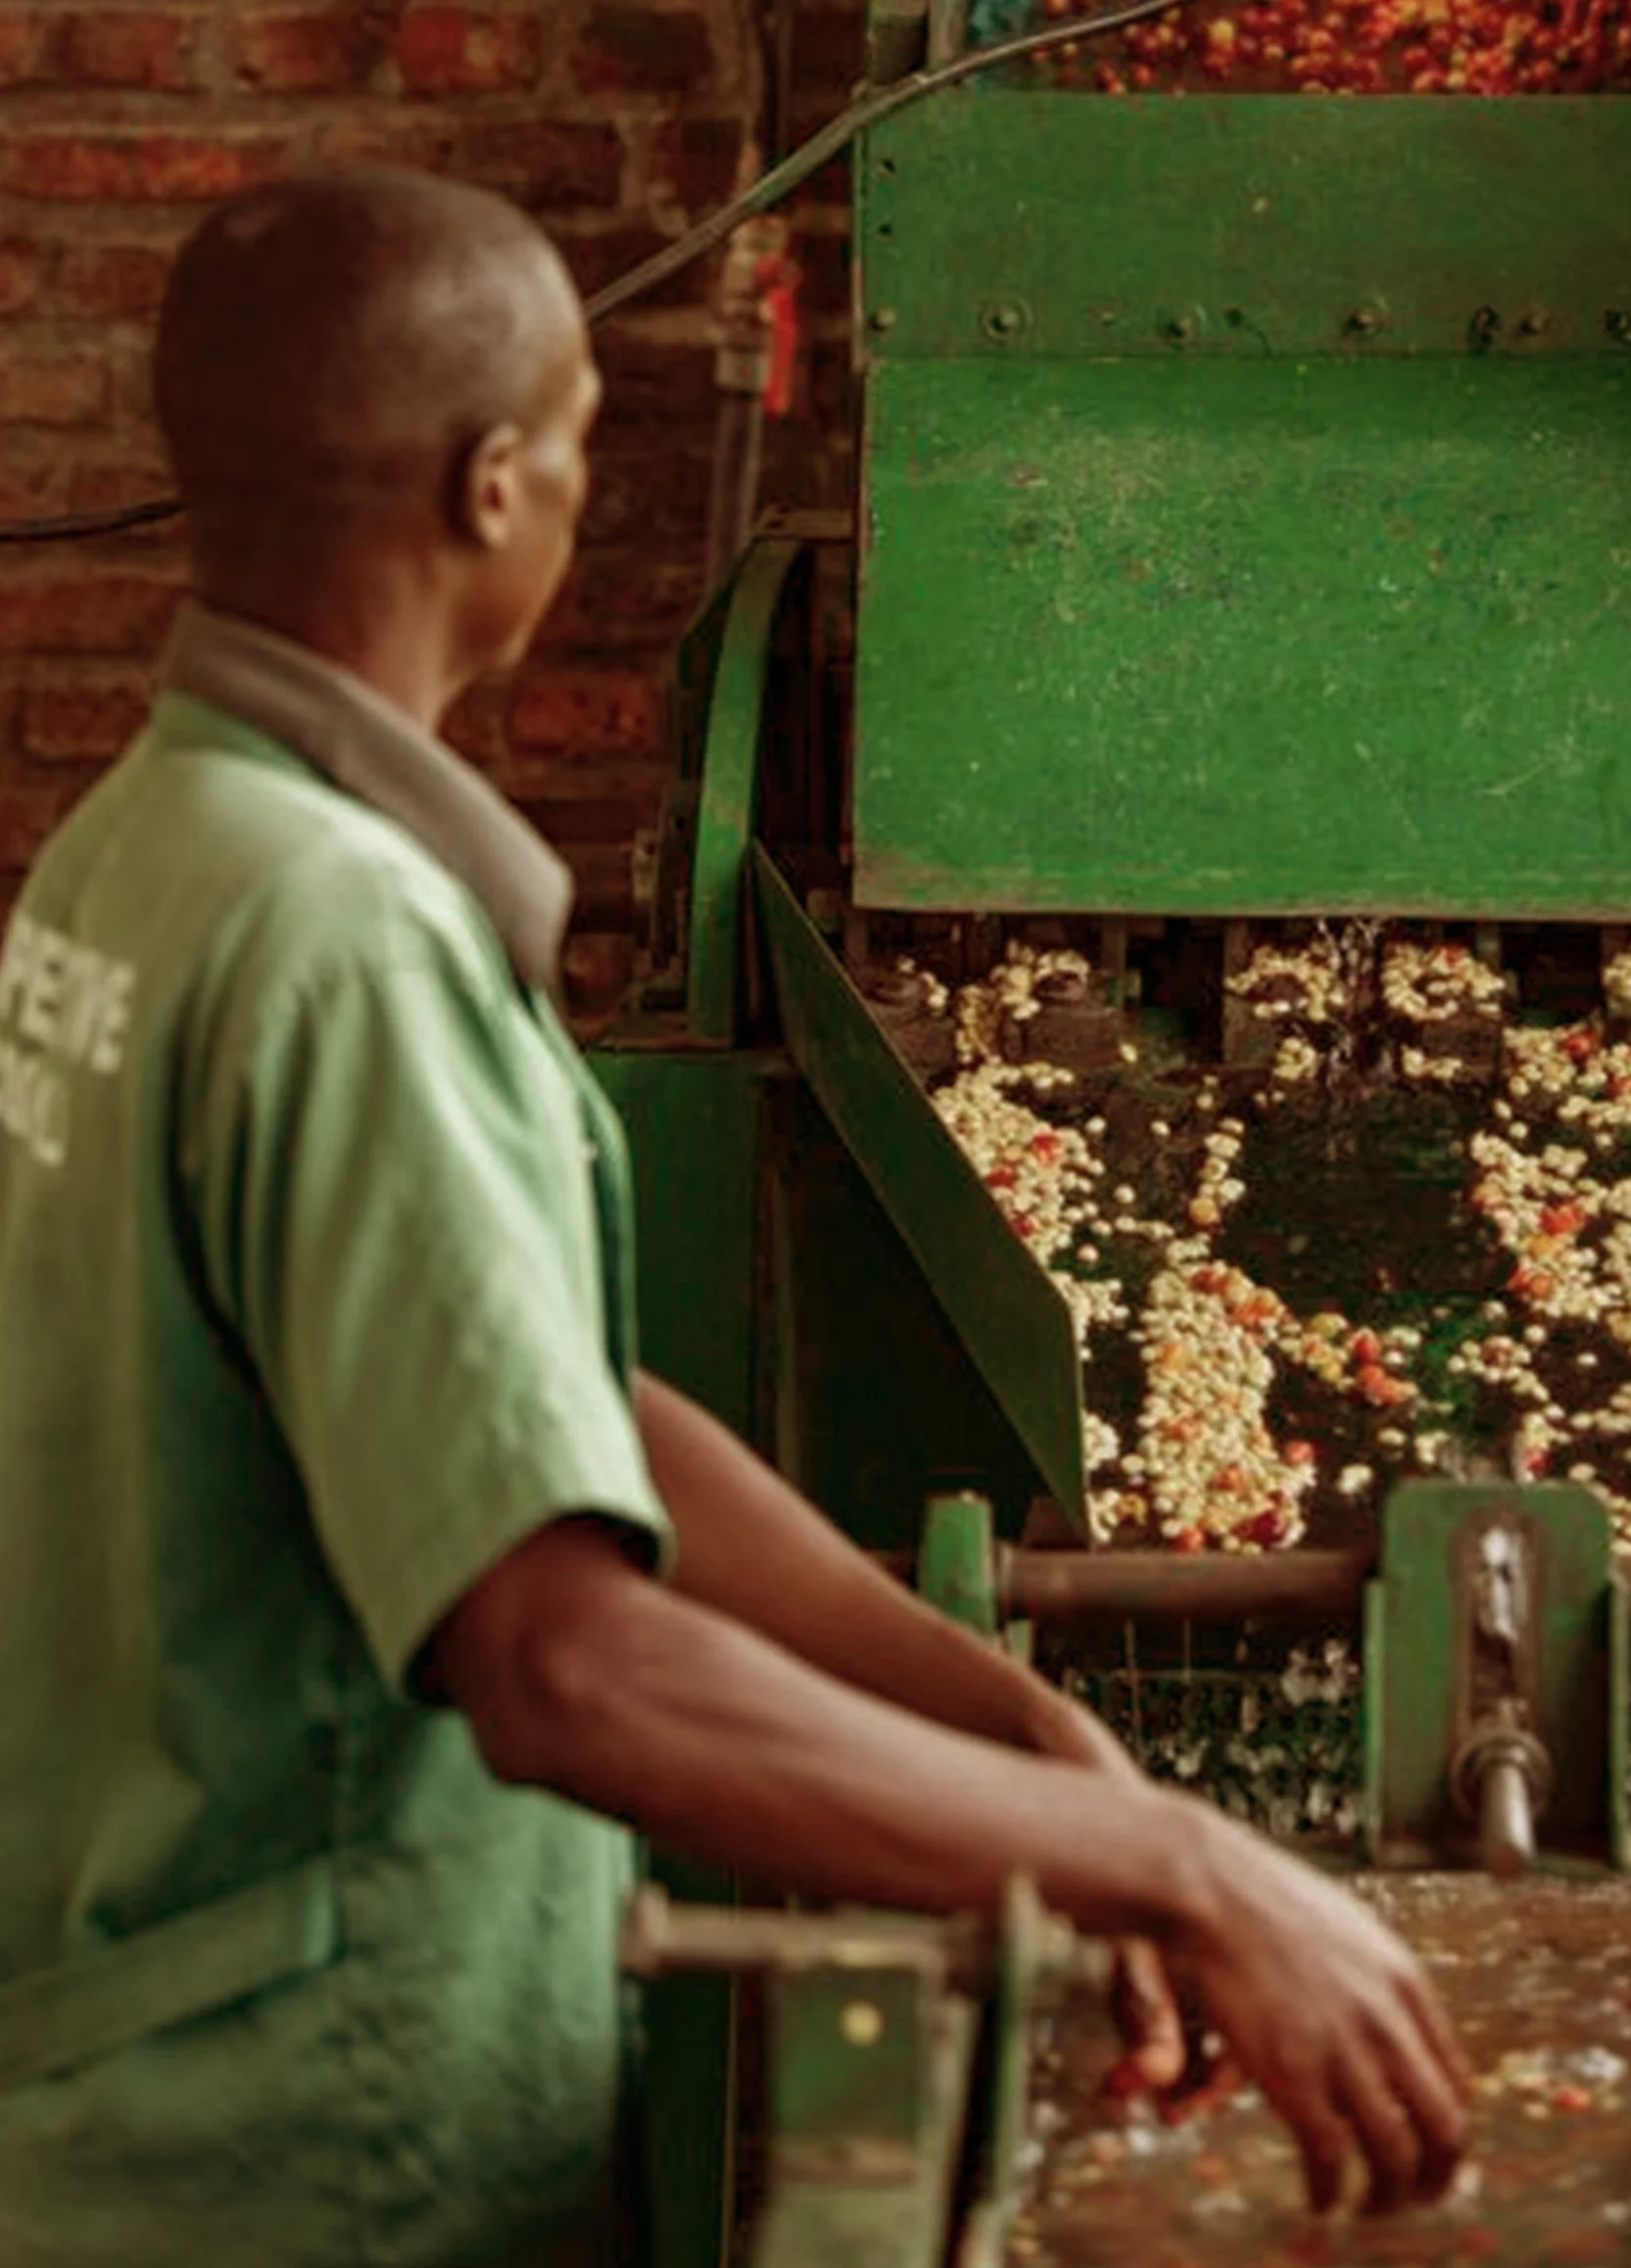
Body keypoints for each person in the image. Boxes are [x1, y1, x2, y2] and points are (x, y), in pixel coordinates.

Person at [0, 167, 1468, 2268]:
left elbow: (545, 1421)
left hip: (126, 2094)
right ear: (491, 486)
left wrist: (1034, 1743)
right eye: (586, 449)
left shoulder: (137, 857)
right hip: (313, 2151)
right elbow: (560, 1661)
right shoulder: (349, 946)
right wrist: (1186, 1876)